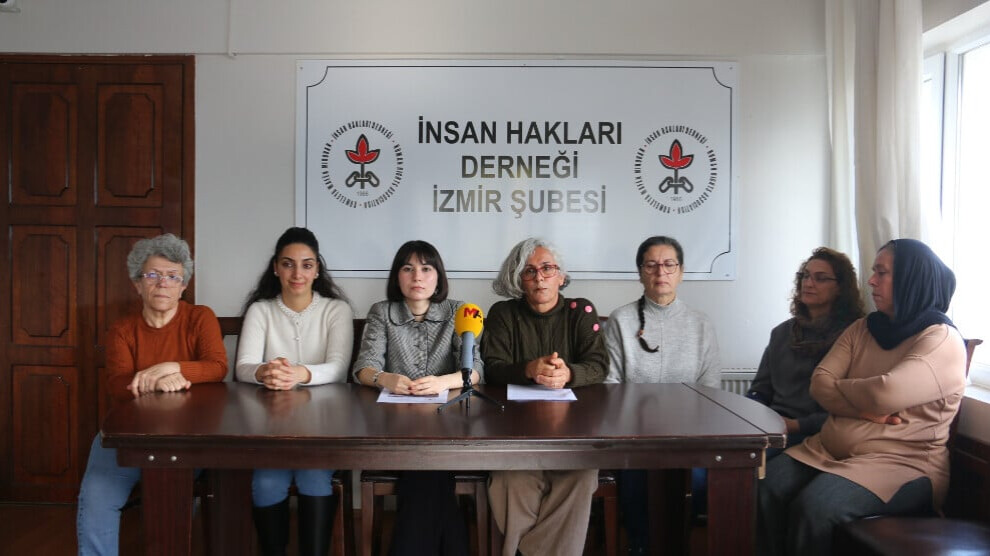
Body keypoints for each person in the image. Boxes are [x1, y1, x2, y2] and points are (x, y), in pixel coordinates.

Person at [757, 238, 968, 556]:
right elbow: (819, 384)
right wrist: (864, 409)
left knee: (816, 507)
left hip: (900, 463)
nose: (871, 280)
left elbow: (885, 393)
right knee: (765, 485)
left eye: (881, 272)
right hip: (826, 450)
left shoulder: (941, 338)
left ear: (910, 278)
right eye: (873, 272)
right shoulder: (862, 328)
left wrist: (847, 391)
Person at [76, 234, 227, 556]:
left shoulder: (200, 318)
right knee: (96, 497)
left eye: (173, 276)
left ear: (183, 285)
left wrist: (173, 368)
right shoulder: (122, 330)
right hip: (129, 434)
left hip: (188, 437)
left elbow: (217, 367)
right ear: (137, 283)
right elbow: (117, 385)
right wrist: (158, 383)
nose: (163, 284)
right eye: (153, 275)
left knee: (171, 504)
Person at [352, 240, 482, 556]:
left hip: (448, 425)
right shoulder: (382, 312)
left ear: (439, 276)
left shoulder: (460, 311)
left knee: (427, 472)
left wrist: (441, 382)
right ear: (397, 276)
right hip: (396, 426)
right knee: (432, 476)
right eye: (408, 269)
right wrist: (386, 378)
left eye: (426, 268)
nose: (417, 277)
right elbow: (363, 367)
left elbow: (476, 369)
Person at [481, 237, 608, 556]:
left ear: (561, 276)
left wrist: (569, 374)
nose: (540, 277)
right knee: (511, 481)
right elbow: (492, 369)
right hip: (515, 432)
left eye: (548, 268)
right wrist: (528, 369)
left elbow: (598, 365)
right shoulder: (502, 313)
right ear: (518, 280)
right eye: (529, 271)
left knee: (581, 476)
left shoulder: (581, 311)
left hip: (573, 434)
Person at [235, 227, 353, 556]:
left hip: (324, 426)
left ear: (317, 269)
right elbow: (243, 367)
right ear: (276, 268)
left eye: (306, 264)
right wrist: (265, 371)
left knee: (314, 478)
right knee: (266, 482)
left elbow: (338, 368)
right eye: (288, 264)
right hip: (270, 426)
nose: (297, 273)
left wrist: (300, 373)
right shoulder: (261, 310)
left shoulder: (336, 310)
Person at [603, 235, 720, 555]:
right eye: (651, 265)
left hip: (689, 435)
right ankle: (640, 546)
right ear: (640, 272)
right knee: (637, 476)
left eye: (669, 264)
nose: (660, 272)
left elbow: (710, 388)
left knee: (695, 481)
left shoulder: (700, 323)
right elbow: (610, 385)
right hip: (635, 434)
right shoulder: (621, 320)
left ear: (681, 272)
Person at [747, 247, 865, 457]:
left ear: (840, 287)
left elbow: (852, 409)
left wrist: (795, 425)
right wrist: (754, 416)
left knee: (734, 468)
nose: (808, 283)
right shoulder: (781, 333)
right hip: (773, 428)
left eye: (820, 278)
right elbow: (759, 391)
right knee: (706, 465)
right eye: (805, 276)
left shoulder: (853, 335)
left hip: (819, 433)